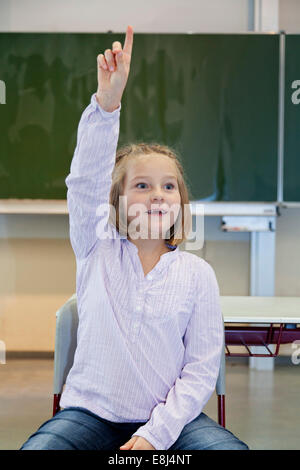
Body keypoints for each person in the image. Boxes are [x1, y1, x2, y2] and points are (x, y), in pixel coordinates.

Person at [20, 25, 249, 451]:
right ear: (118, 200)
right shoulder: (96, 248)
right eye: (141, 186)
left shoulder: (197, 275)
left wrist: (153, 435)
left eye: (168, 187)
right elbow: (84, 182)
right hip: (89, 416)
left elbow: (200, 370)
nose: (157, 195)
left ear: (181, 201)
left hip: (172, 421)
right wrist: (107, 106)